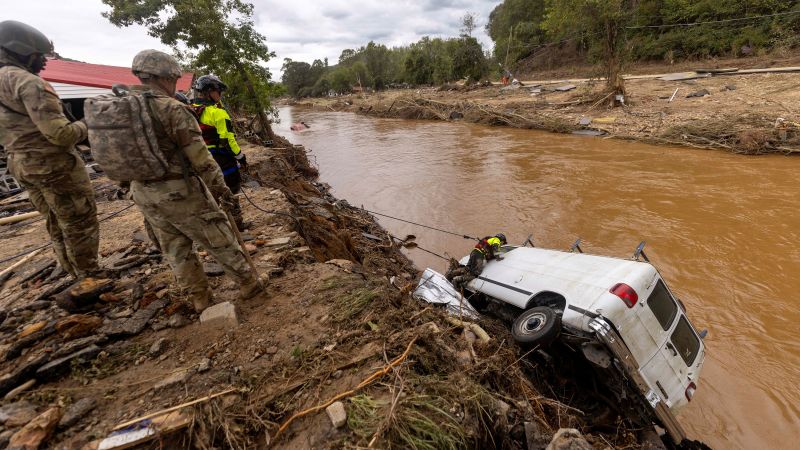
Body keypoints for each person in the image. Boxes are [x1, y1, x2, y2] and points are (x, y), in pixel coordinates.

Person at [125, 50, 264, 312]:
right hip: (180, 189)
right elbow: (202, 159)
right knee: (219, 236)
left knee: (175, 249)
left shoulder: (119, 106)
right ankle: (249, 283)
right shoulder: (173, 108)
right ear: (166, 77)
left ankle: (200, 298)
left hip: (142, 192)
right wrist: (220, 190)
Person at [0, 20, 100, 279]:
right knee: (78, 221)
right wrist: (88, 122)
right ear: (22, 51)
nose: (44, 62)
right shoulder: (27, 83)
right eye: (39, 56)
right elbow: (61, 135)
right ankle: (89, 278)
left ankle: (72, 272)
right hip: (53, 165)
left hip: (20, 164)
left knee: (55, 221)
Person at [191, 75, 247, 229]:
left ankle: (216, 226)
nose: (220, 95)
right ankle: (237, 224)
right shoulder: (218, 113)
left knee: (210, 192)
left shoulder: (191, 110)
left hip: (201, 158)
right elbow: (228, 139)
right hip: (222, 158)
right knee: (232, 188)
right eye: (218, 91)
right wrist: (240, 157)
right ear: (210, 91)